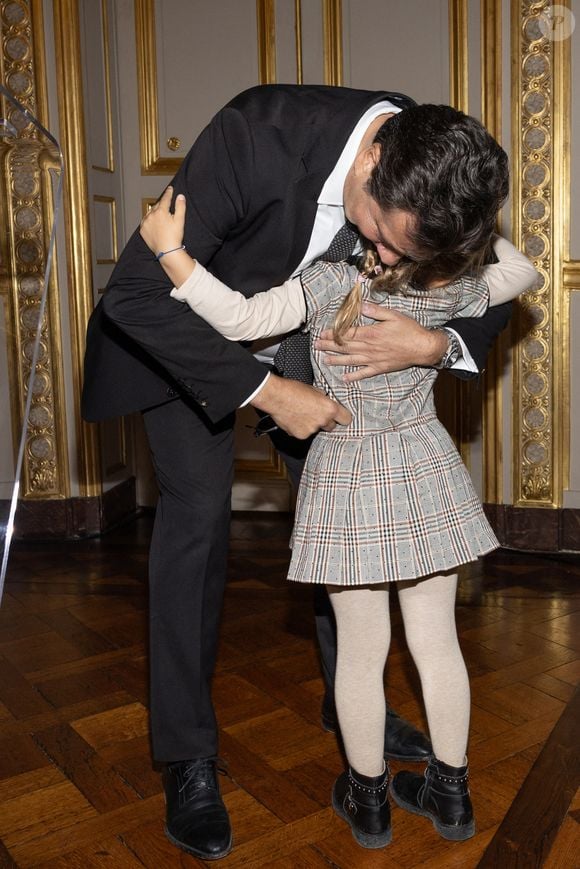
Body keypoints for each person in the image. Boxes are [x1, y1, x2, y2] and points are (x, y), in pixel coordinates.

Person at [81, 85, 516, 860]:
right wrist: (270, 391)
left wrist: (432, 345)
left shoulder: (436, 159)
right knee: (196, 516)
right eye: (384, 237)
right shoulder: (254, 138)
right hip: (188, 344)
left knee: (348, 524)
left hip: (328, 366)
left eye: (409, 256)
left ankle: (356, 721)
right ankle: (188, 756)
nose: (386, 261)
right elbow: (137, 296)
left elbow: (494, 280)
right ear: (372, 163)